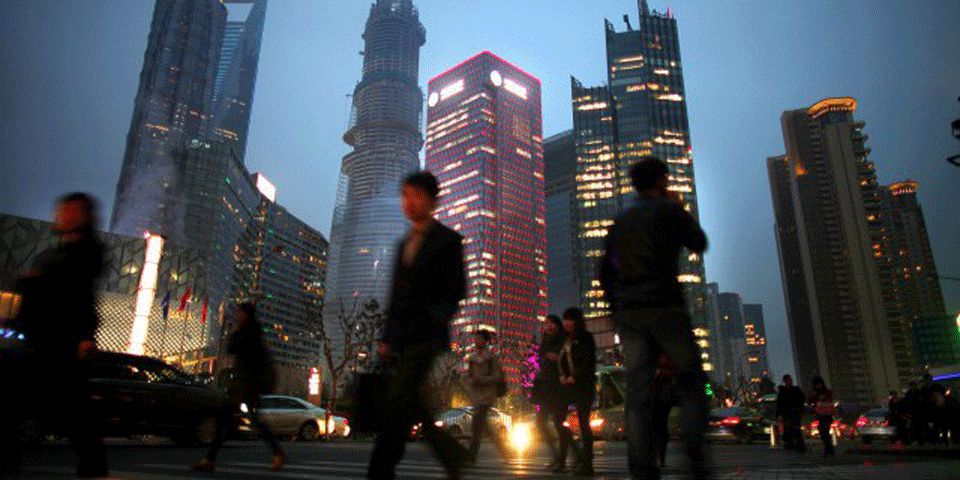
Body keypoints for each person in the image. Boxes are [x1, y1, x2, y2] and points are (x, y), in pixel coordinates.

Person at [599, 156, 710, 480]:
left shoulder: (621, 220)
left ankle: (642, 469)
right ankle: (695, 458)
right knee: (691, 380)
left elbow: (604, 270)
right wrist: (679, 207)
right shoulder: (668, 210)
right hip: (665, 305)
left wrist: (616, 308)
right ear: (661, 180)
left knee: (638, 393)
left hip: (630, 313)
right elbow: (699, 242)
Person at [367, 171, 470, 480]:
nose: (408, 202)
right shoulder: (403, 244)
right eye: (405, 195)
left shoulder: (448, 241)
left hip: (427, 337)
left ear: (432, 201)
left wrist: (432, 321)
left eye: (416, 195)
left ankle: (380, 469)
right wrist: (386, 338)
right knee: (410, 402)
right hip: (401, 339)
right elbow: (395, 297)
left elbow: (456, 291)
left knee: (400, 397)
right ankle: (452, 456)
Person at [15, 193, 108, 477]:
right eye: (62, 210)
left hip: (62, 342)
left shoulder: (86, 254)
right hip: (40, 339)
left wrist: (85, 335)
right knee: (68, 406)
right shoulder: (54, 253)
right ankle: (93, 463)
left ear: (85, 217)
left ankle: (94, 464)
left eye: (71, 211)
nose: (63, 215)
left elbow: (82, 297)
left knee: (71, 407)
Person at [193, 302, 284, 472]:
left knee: (243, 419)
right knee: (229, 419)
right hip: (243, 384)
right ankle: (210, 458)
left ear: (246, 315)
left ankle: (277, 452)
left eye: (240, 313)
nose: (237, 316)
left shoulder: (249, 334)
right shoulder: (253, 333)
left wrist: (234, 331)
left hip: (246, 385)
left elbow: (232, 348)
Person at [532, 314, 578, 472]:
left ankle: (567, 457)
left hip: (559, 388)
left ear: (558, 325)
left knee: (559, 423)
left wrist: (558, 358)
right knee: (540, 423)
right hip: (546, 387)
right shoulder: (545, 341)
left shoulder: (564, 340)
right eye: (546, 324)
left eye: (551, 323)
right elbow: (541, 359)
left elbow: (570, 360)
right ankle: (559, 455)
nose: (548, 326)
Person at [558, 307, 596, 476]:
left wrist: (575, 376)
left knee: (583, 423)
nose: (566, 323)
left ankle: (587, 462)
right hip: (568, 387)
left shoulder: (586, 338)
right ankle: (579, 456)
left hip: (583, 386)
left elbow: (588, 361)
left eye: (570, 319)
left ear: (577, 321)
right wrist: (562, 375)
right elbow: (562, 361)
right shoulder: (565, 339)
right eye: (565, 319)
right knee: (559, 419)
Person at [465, 329, 509, 463]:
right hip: (476, 395)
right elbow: (468, 376)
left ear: (485, 341)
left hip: (488, 395)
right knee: (483, 427)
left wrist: (482, 380)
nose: (476, 341)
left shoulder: (491, 358)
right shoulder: (472, 358)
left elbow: (497, 376)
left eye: (479, 339)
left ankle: (471, 455)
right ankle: (505, 451)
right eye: (475, 338)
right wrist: (471, 381)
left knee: (477, 424)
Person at [652, 353, 679, 467]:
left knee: (659, 428)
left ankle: (660, 457)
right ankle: (660, 457)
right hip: (661, 398)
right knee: (660, 428)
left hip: (660, 399)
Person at [775, 375, 806, 452]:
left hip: (794, 412)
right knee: (789, 429)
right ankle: (791, 444)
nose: (790, 382)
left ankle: (798, 445)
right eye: (788, 380)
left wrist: (799, 409)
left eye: (790, 380)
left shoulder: (795, 390)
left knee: (795, 429)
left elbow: (801, 399)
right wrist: (779, 414)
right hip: (787, 413)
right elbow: (779, 404)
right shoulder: (783, 392)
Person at [808, 376, 835, 457]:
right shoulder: (815, 394)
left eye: (819, 384)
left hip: (828, 414)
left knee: (825, 430)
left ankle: (828, 449)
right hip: (820, 414)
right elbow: (810, 401)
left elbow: (830, 400)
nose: (818, 386)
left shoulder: (827, 392)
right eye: (816, 384)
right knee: (823, 431)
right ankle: (828, 448)